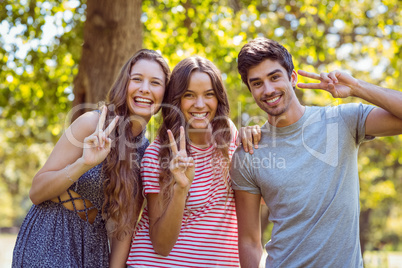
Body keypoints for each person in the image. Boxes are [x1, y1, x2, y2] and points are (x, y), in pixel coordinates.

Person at [230, 37, 402, 268]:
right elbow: (250, 241)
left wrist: (356, 88)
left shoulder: (341, 120)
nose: (268, 89)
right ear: (250, 89)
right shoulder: (248, 154)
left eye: (274, 77)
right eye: (257, 83)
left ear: (292, 78)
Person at [12, 49, 171, 268]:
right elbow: (36, 192)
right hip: (50, 234)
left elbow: (123, 231)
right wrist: (84, 163)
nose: (145, 89)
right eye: (137, 79)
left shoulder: (147, 153)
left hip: (92, 249)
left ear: (165, 94)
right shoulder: (90, 124)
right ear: (125, 84)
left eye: (155, 83)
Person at [126, 56, 240, 267]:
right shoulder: (158, 154)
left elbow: (265, 197)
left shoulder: (230, 139)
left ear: (219, 99)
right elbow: (161, 245)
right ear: (176, 100)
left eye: (209, 95)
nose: (200, 104)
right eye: (189, 95)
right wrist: (181, 188)